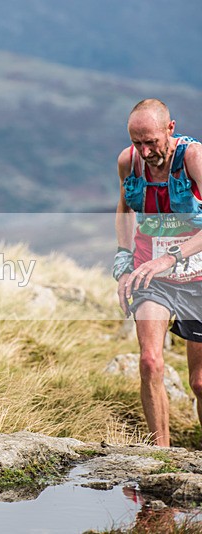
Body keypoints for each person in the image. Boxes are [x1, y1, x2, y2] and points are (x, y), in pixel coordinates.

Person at [114, 98, 202, 447]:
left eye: (151, 141)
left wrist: (171, 257)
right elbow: (124, 210)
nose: (145, 150)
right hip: (153, 277)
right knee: (150, 361)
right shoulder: (129, 162)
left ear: (171, 128)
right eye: (138, 142)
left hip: (197, 275)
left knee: (199, 382)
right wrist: (123, 262)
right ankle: (160, 459)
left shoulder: (194, 158)